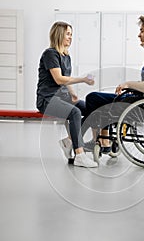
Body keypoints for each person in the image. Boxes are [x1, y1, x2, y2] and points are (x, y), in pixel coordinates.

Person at [84, 12, 144, 152]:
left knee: (92, 98)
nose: (139, 35)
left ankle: (102, 141)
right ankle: (103, 141)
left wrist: (128, 84)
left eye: (142, 31)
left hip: (141, 105)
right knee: (99, 99)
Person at [36, 21, 98, 168]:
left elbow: (66, 79)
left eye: (71, 34)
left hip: (62, 96)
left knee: (91, 108)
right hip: (47, 100)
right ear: (59, 35)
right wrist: (83, 79)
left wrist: (73, 94)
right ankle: (80, 155)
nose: (71, 37)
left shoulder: (66, 55)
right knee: (75, 112)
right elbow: (59, 79)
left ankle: (69, 140)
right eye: (68, 34)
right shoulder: (50, 54)